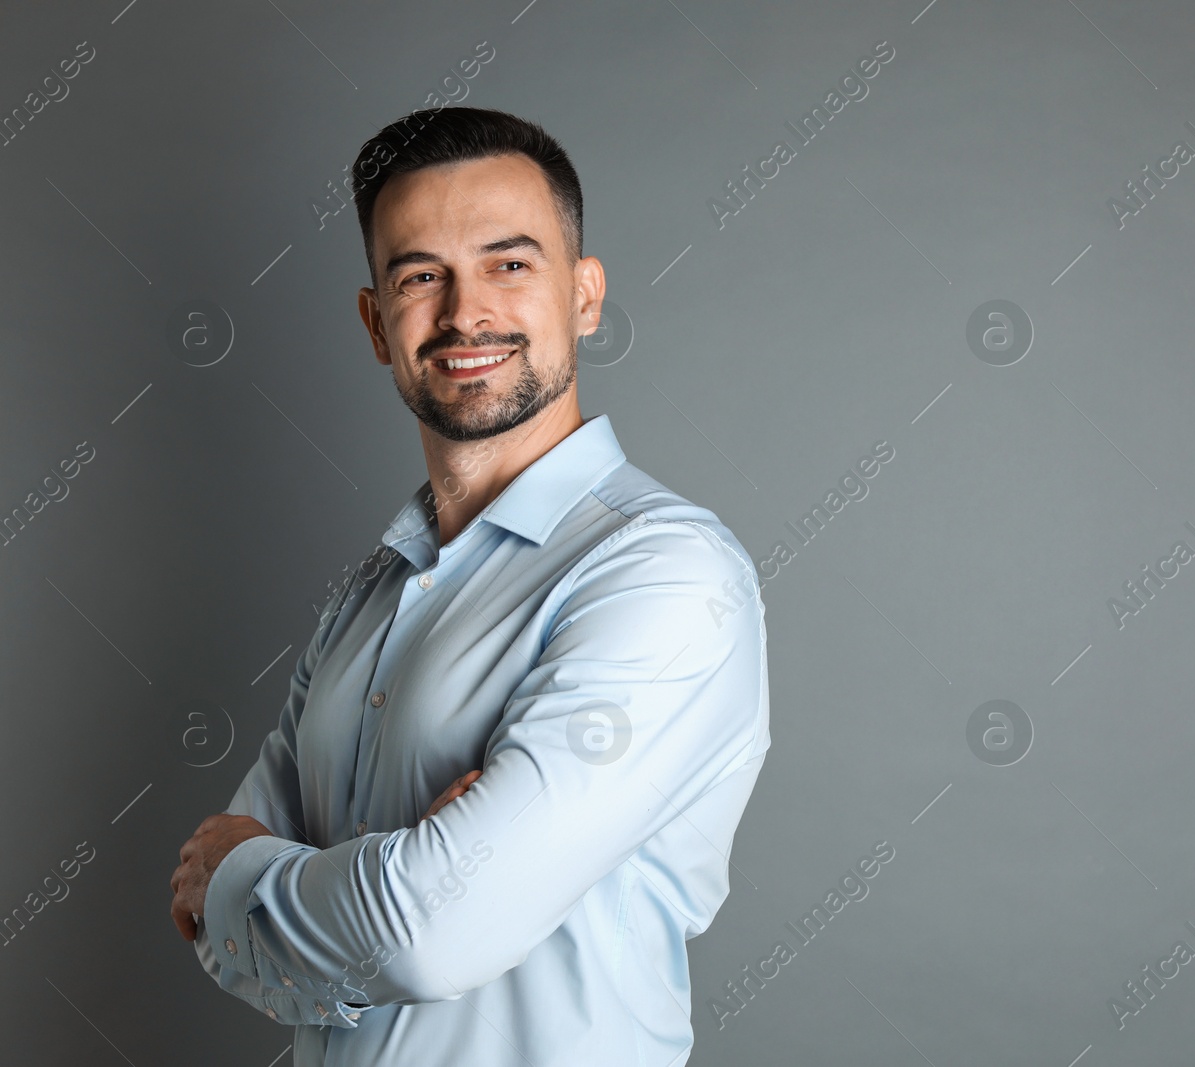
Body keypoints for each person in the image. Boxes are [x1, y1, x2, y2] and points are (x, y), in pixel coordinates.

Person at [168, 106, 770, 1066]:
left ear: (584, 294)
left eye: (509, 263)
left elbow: (422, 930)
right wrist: (386, 877)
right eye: (420, 276)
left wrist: (253, 873)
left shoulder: (663, 572)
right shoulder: (365, 596)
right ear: (376, 323)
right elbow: (213, 930)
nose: (464, 314)